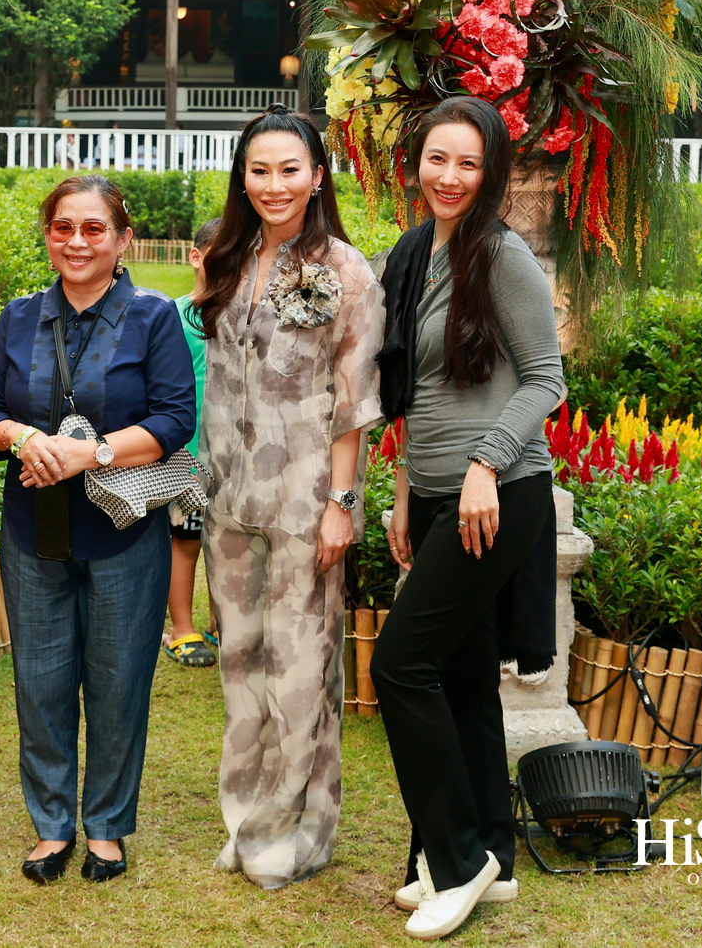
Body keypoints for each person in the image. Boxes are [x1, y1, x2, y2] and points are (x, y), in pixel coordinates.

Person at [369, 95, 566, 940]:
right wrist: (407, 494)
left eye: (468, 163)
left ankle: (455, 863)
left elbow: (547, 380)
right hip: (440, 493)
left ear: (490, 174)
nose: (448, 177)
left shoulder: (502, 255)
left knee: (398, 665)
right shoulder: (412, 255)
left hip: (501, 494)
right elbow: (412, 398)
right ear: (417, 163)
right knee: (458, 677)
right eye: (436, 159)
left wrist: (486, 463)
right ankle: (493, 850)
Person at [0, 175, 195, 885]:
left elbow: (173, 420)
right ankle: (50, 827)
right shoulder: (17, 317)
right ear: (47, 236)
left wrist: (89, 453)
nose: (76, 241)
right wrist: (18, 438)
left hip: (123, 528)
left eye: (94, 228)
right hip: (32, 526)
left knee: (117, 681)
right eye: (63, 227)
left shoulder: (153, 316)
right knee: (39, 681)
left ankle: (105, 826)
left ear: (122, 239)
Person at [194, 105, 383, 890]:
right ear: (244, 176)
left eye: (290, 169)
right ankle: (245, 823)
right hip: (229, 499)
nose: (274, 184)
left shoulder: (345, 269)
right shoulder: (230, 259)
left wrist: (342, 502)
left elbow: (356, 399)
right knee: (239, 665)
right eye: (259, 170)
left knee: (300, 670)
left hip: (307, 502)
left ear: (316, 176)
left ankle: (294, 832)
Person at [163, 217, 219, 668]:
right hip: (186, 457)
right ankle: (182, 629)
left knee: (232, 544)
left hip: (235, 457)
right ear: (195, 256)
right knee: (187, 541)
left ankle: (225, 623)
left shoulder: (245, 315)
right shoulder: (173, 317)